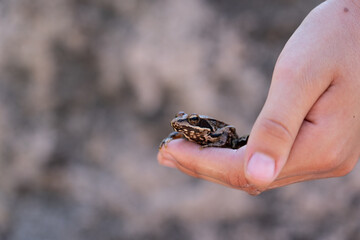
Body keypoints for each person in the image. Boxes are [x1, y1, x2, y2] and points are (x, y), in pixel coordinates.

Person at [157, 0, 360, 195]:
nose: (184, 122)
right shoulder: (186, 131)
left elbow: (228, 131)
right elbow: (179, 132)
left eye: (192, 120)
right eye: (183, 118)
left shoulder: (212, 133)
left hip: (231, 140)